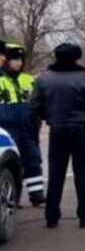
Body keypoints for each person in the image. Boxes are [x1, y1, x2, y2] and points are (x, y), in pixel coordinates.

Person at [30, 43, 85, 228]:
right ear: (76, 57)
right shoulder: (84, 78)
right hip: (80, 130)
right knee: (82, 174)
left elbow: (34, 106)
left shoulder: (43, 79)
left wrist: (49, 115)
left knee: (55, 174)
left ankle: (52, 217)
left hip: (57, 130)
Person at [0, 43, 45, 206]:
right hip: (6, 130)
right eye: (14, 59)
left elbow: (40, 102)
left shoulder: (28, 79)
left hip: (28, 127)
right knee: (12, 163)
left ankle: (37, 194)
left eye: (20, 59)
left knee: (33, 160)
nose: (18, 63)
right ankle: (13, 197)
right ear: (6, 60)